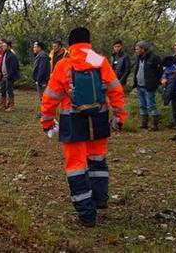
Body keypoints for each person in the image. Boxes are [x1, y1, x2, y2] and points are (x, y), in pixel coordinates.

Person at [40, 27, 127, 227]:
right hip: (99, 119)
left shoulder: (64, 65)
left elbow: (50, 97)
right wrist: (119, 116)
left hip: (74, 122)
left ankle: (87, 215)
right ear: (89, 41)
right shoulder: (100, 60)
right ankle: (100, 199)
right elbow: (116, 89)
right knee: (97, 161)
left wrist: (46, 122)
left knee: (76, 167)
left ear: (70, 44)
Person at [132, 40, 162, 131]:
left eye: (137, 49)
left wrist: (156, 83)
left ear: (143, 49)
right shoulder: (139, 58)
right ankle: (144, 123)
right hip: (140, 85)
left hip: (149, 86)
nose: (136, 51)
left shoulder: (154, 58)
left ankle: (154, 124)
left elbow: (160, 72)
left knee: (151, 105)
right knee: (142, 105)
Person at [0, 38, 20, 112]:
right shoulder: (4, 54)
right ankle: (2, 104)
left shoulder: (12, 55)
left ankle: (12, 106)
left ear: (9, 46)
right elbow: (1, 64)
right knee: (2, 90)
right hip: (4, 76)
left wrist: (9, 76)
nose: (2, 47)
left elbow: (13, 68)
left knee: (9, 91)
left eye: (4, 45)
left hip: (9, 77)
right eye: (2, 45)